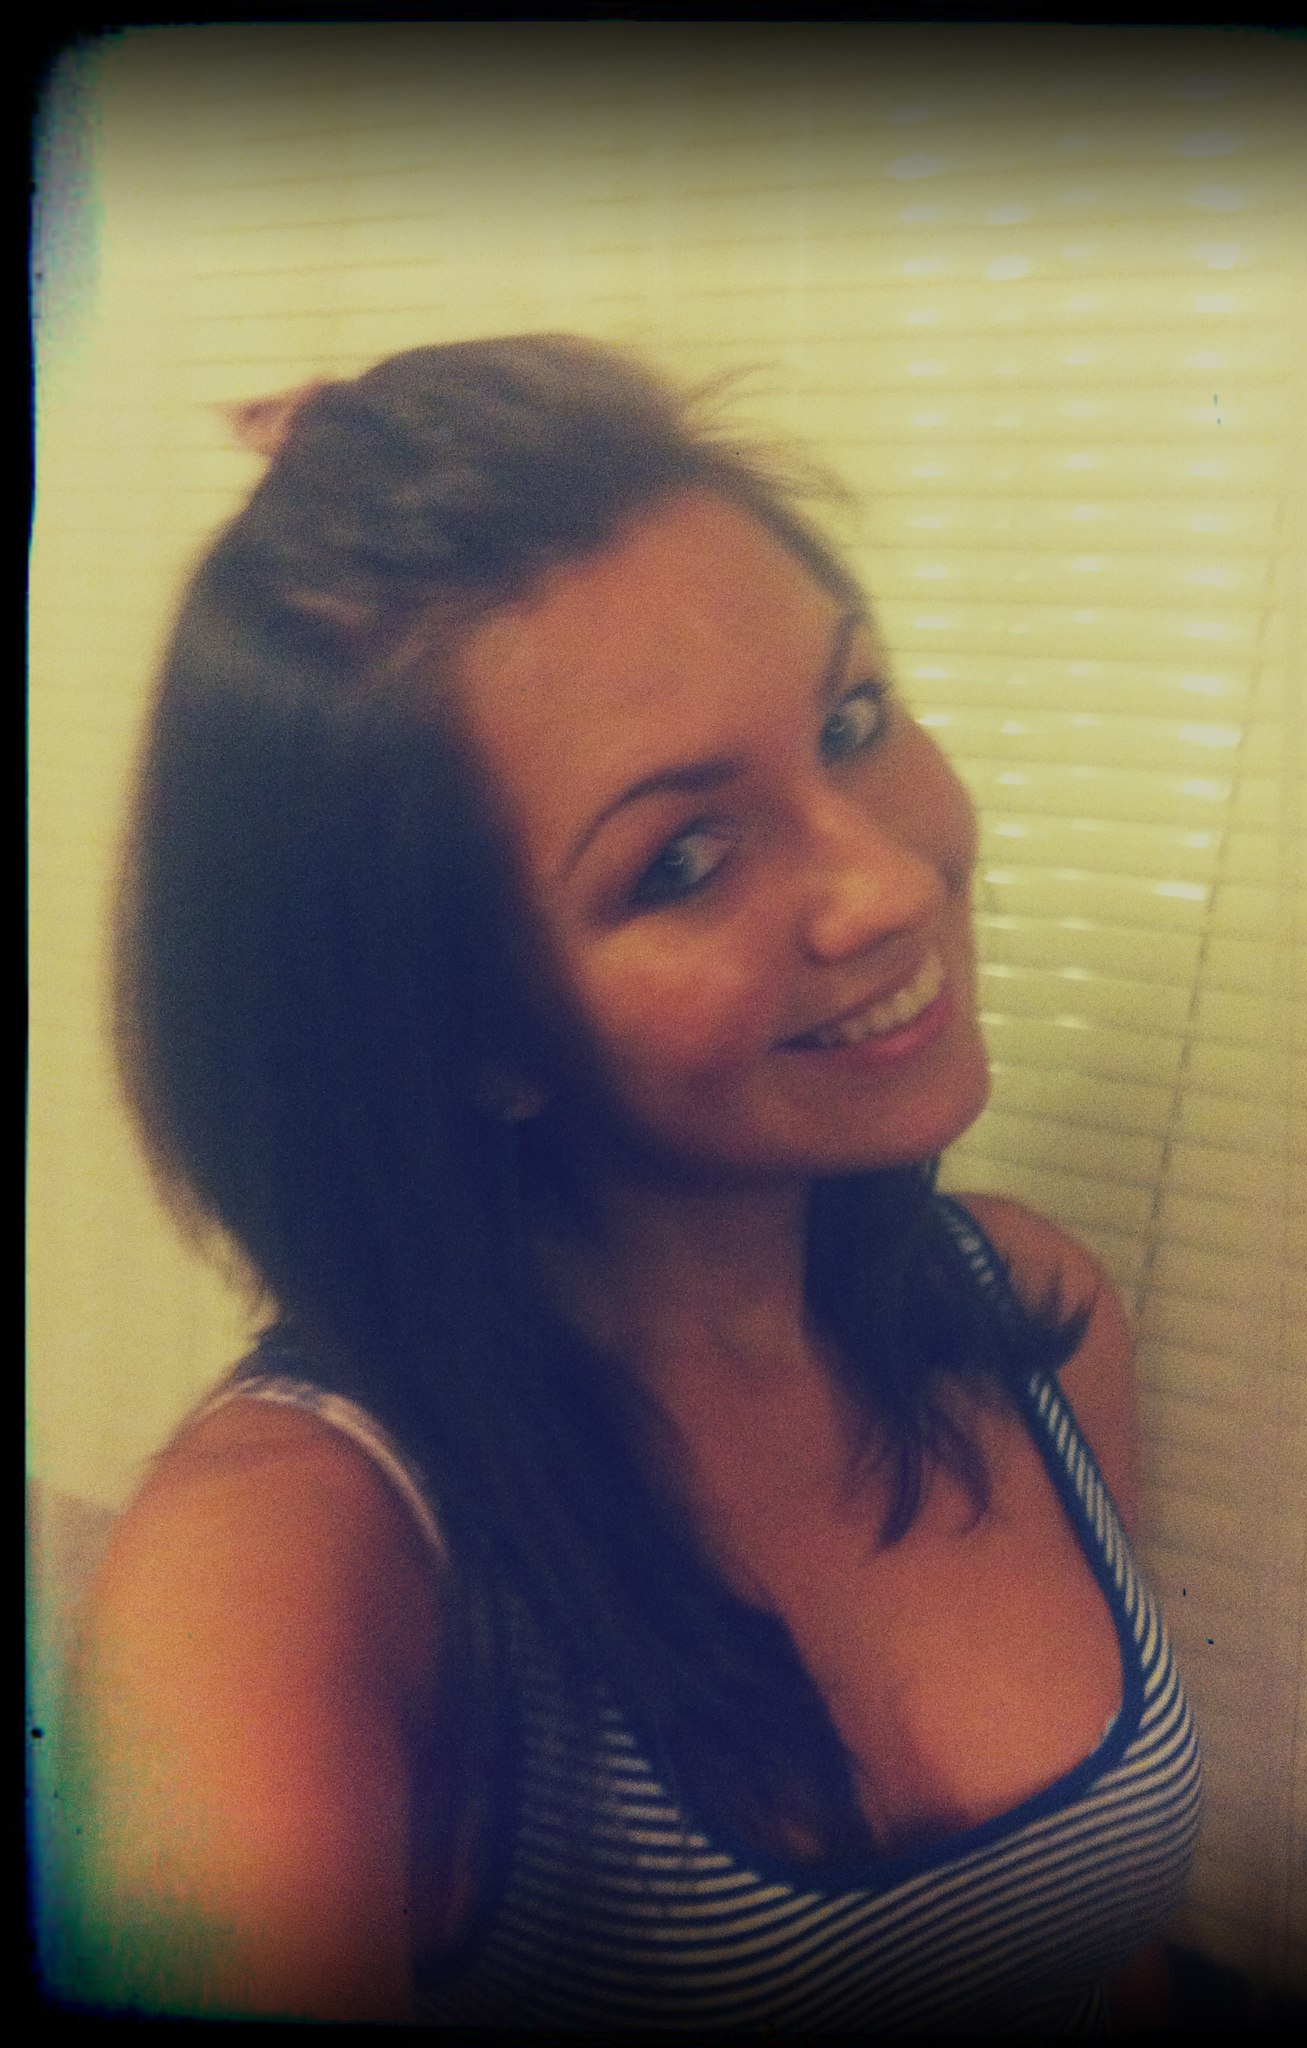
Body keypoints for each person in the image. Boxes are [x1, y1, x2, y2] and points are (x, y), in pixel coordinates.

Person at [58, 336, 1201, 2028]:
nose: (888, 882)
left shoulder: (1027, 1314)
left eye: (850, 720)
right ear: (459, 1028)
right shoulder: (276, 1581)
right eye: (682, 857)